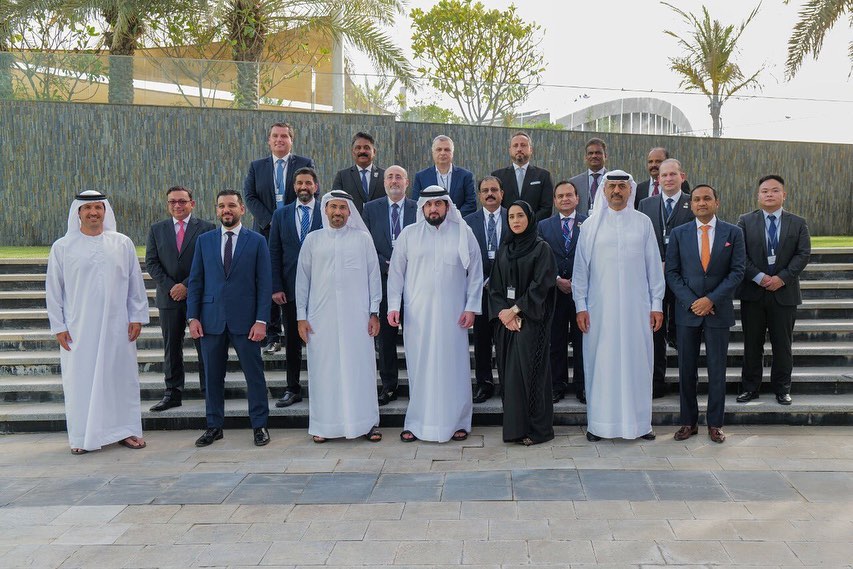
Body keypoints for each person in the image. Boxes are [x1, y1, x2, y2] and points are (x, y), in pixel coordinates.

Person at [46, 190, 149, 454]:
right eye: (87, 208)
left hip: (118, 326)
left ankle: (126, 430)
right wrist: (59, 326)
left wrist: (137, 316)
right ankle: (82, 437)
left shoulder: (122, 243)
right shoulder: (62, 247)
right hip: (79, 329)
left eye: (98, 207)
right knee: (80, 380)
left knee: (120, 378)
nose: (93, 212)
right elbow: (54, 290)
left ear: (105, 211)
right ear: (78, 212)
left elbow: (135, 283)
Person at [572, 170, 664, 442]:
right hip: (600, 311)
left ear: (630, 190)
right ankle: (599, 425)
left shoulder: (643, 223)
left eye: (622, 187)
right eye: (611, 186)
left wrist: (656, 304)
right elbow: (580, 271)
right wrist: (580, 306)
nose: (616, 191)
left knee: (638, 363)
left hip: (638, 310)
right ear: (603, 190)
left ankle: (640, 424)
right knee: (602, 364)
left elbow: (653, 267)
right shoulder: (590, 226)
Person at [387, 185, 483, 443]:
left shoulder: (463, 233)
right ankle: (417, 423)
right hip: (418, 316)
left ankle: (459, 422)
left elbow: (476, 271)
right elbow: (395, 274)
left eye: (438, 204)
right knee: (420, 368)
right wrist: (394, 306)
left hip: (454, 316)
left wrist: (471, 306)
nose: (433, 209)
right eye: (428, 205)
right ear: (422, 208)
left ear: (447, 206)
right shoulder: (409, 234)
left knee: (454, 368)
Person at [187, 189, 272, 447]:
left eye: (232, 205)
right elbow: (196, 281)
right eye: (222, 206)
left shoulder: (257, 241)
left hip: (247, 322)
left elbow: (264, 284)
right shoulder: (204, 241)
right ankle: (214, 426)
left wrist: (261, 320)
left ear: (242, 209)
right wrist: (193, 317)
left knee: (254, 376)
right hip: (211, 320)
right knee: (212, 377)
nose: (227, 210)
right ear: (216, 210)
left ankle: (259, 425)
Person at [296, 191, 383, 443]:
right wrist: (301, 316)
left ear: (349, 212)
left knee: (360, 370)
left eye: (342, 208)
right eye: (333, 207)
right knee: (325, 372)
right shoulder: (313, 240)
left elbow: (374, 277)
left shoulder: (362, 239)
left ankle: (367, 423)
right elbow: (302, 281)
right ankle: (324, 426)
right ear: (325, 210)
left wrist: (374, 312)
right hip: (320, 320)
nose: (337, 212)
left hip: (358, 319)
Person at [666, 185, 745, 444]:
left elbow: (737, 271)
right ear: (691, 205)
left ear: (716, 202)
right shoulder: (679, 234)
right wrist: (693, 302)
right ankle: (688, 422)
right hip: (687, 312)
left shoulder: (733, 233)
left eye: (707, 198)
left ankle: (715, 424)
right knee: (686, 369)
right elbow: (672, 273)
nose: (701, 203)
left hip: (718, 311)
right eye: (697, 199)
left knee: (717, 370)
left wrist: (711, 299)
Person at [736, 175, 811, 405]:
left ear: (783, 195)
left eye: (775, 190)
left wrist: (782, 278)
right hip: (753, 293)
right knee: (752, 344)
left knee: (783, 345)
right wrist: (759, 277)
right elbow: (740, 254)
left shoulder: (798, 223)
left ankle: (782, 388)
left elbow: (803, 254)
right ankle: (750, 388)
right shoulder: (745, 221)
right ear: (758, 195)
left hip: (784, 294)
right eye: (765, 191)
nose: (769, 194)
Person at [243, 122, 315, 354]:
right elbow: (249, 196)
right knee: (268, 280)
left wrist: (288, 220)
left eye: (284, 136)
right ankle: (273, 335)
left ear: (291, 140)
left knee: (297, 279)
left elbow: (309, 193)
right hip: (265, 232)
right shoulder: (257, 166)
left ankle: (301, 331)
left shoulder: (304, 163)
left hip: (296, 232)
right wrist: (271, 220)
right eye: (275, 136)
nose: (279, 140)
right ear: (269, 140)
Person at [490, 201, 557, 445]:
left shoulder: (541, 249)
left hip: (531, 322)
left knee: (530, 374)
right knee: (509, 377)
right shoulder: (505, 249)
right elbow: (495, 286)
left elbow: (541, 285)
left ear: (529, 218)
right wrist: (504, 314)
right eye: (511, 217)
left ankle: (537, 430)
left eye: (520, 216)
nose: (516, 221)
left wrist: (516, 310)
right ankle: (515, 429)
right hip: (507, 323)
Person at [145, 186, 216, 412]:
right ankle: (173, 393)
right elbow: (151, 263)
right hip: (169, 299)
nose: (177, 205)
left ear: (192, 203)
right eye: (172, 202)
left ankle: (210, 391)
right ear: (168, 205)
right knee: (172, 347)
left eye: (182, 201)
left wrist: (186, 285)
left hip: (198, 297)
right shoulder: (157, 229)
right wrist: (171, 287)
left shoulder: (207, 228)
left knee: (204, 347)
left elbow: (209, 261)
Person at [638, 159, 695, 398]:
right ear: (658, 179)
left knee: (684, 333)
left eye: (673, 174)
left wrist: (672, 264)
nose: (668, 179)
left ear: (682, 176)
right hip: (653, 278)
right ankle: (656, 381)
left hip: (684, 279)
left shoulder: (693, 202)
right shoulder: (645, 204)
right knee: (655, 332)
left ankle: (687, 384)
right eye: (664, 175)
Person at [363, 165, 418, 406]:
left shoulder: (419, 208)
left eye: (399, 177)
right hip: (383, 281)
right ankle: (389, 386)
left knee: (416, 336)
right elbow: (365, 243)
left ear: (407, 182)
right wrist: (385, 264)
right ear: (384, 182)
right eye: (390, 177)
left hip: (414, 282)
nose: (394, 181)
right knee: (385, 338)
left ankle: (419, 384)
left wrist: (404, 264)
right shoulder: (370, 208)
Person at [269, 167, 323, 407]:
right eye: (299, 183)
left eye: (308, 183)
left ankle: (323, 388)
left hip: (322, 289)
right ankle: (292, 388)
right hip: (290, 289)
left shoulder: (326, 211)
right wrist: (276, 286)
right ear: (293, 187)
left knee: (322, 340)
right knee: (292, 341)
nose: (304, 187)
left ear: (316, 186)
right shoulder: (281, 215)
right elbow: (274, 252)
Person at [538, 181, 587, 404]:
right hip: (555, 293)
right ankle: (557, 385)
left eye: (569, 195)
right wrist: (557, 279)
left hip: (581, 294)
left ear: (577, 198)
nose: (565, 199)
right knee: (555, 341)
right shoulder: (543, 226)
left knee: (582, 341)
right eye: (560, 196)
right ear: (555, 201)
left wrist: (577, 281)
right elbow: (541, 258)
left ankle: (582, 385)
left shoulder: (589, 223)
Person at [464, 176, 509, 403]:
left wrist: (498, 279)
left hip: (506, 292)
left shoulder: (513, 216)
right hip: (479, 290)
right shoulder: (467, 222)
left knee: (506, 340)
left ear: (502, 193)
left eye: (494, 189)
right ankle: (484, 383)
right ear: (479, 195)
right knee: (481, 340)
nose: (490, 194)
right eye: (485, 190)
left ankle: (508, 384)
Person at [491, 131, 553, 222]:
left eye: (523, 145)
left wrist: (529, 222)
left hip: (534, 227)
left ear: (531, 149)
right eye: (515, 145)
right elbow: (494, 205)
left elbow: (547, 208)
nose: (519, 149)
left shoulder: (543, 175)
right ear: (510, 150)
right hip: (505, 227)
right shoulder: (497, 176)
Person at [412, 135, 477, 217]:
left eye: (447, 149)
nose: (442, 153)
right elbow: (417, 204)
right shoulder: (421, 177)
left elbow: (471, 204)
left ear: (452, 153)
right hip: (430, 222)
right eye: (439, 149)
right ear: (433, 153)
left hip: (458, 222)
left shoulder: (465, 176)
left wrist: (453, 218)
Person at [330, 132, 386, 215]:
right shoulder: (342, 176)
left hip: (378, 220)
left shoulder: (385, 175)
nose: (362, 151)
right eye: (358, 148)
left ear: (374, 152)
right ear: (353, 152)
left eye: (366, 148)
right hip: (352, 221)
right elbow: (335, 201)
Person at [568, 137, 608, 215]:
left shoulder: (614, 181)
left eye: (598, 153)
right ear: (586, 157)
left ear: (605, 156)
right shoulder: (574, 183)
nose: (594, 156)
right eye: (590, 153)